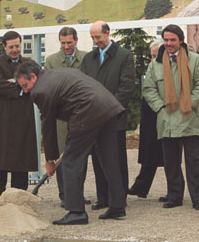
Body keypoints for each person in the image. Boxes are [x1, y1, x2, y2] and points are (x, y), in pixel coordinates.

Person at [15, 62, 127, 225]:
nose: (25, 91)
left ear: (33, 77)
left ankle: (76, 211)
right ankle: (117, 205)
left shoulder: (40, 91)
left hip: (87, 110)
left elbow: (48, 126)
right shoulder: (57, 73)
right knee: (108, 157)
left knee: (70, 161)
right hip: (108, 106)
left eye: (25, 86)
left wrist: (50, 161)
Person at [142, 24, 199, 211]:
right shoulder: (155, 64)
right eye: (166, 40)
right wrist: (160, 107)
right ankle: (174, 196)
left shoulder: (194, 60)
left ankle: (198, 198)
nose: (169, 43)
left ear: (181, 40)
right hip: (166, 119)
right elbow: (148, 89)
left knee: (193, 161)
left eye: (173, 40)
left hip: (189, 118)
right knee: (171, 162)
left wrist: (189, 103)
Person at [81, 21, 135, 211]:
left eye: (99, 37)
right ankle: (102, 197)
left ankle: (119, 198)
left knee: (116, 159)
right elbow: (83, 86)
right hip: (94, 119)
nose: (97, 42)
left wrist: (110, 109)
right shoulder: (89, 59)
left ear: (108, 33)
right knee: (98, 159)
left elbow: (126, 86)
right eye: (93, 38)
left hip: (114, 118)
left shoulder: (124, 56)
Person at [0, 31, 37, 196]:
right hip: (1, 118)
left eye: (17, 46)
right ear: (4, 47)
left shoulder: (30, 63)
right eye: (11, 47)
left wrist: (12, 83)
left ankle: (19, 197)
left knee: (21, 158)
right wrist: (21, 86)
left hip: (23, 117)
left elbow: (35, 83)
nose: (15, 50)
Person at [44, 27, 89, 208]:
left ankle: (78, 193)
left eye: (69, 43)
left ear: (76, 41)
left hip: (81, 114)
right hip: (61, 117)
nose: (66, 46)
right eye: (63, 43)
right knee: (63, 156)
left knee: (81, 156)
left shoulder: (86, 58)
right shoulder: (52, 61)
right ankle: (65, 195)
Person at [128, 40, 167, 200]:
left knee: (166, 152)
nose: (153, 59)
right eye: (151, 56)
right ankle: (141, 186)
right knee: (149, 151)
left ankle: (172, 190)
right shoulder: (152, 68)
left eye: (155, 56)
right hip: (150, 112)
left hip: (163, 111)